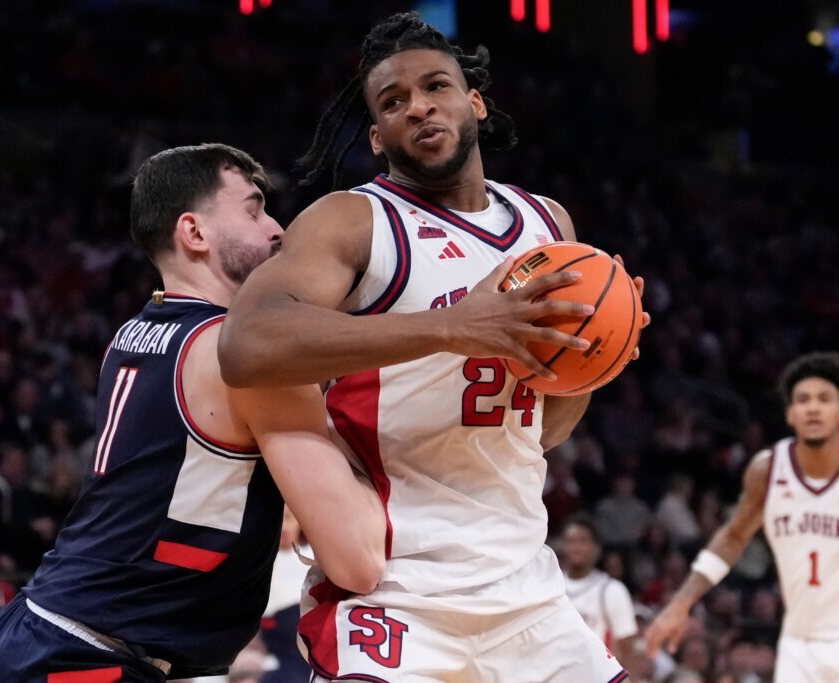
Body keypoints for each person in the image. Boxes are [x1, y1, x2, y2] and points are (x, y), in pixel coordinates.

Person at [219, 12, 648, 682]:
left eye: (435, 87)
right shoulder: (356, 220)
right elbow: (245, 344)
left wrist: (596, 356)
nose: (417, 107)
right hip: (396, 592)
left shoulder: (548, 224)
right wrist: (452, 326)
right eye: (393, 102)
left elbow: (544, 429)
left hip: (524, 590)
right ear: (377, 135)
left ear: (474, 101)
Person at [0, 144, 386, 681]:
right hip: (86, 655)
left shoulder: (134, 332)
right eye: (254, 209)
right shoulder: (241, 359)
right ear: (194, 233)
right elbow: (359, 560)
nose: (278, 229)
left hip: (47, 631)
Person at [645, 352, 839, 683]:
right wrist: (681, 603)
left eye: (825, 398)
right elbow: (734, 537)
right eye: (803, 399)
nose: (813, 408)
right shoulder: (768, 470)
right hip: (798, 643)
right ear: (790, 413)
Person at [558, 515, 644, 678]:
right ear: (563, 546)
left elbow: (628, 648)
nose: (576, 547)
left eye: (583, 541)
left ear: (596, 548)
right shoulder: (551, 587)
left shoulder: (612, 590)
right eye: (571, 541)